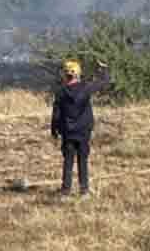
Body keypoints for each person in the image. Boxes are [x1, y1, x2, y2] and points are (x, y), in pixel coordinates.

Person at [51, 59, 111, 196]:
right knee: (82, 160)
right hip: (83, 132)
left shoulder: (60, 92)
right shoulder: (86, 88)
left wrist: (54, 131)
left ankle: (65, 190)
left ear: (65, 75)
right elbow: (103, 82)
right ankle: (84, 190)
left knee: (68, 161)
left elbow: (56, 115)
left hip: (68, 132)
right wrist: (104, 69)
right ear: (78, 74)